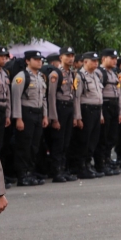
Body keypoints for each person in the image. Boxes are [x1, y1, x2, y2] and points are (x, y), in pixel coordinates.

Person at [11, 50, 49, 186]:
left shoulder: (40, 77)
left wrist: (45, 115)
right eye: (36, 59)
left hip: (38, 114)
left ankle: (30, 172)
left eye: (40, 59)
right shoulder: (21, 76)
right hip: (26, 113)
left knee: (34, 146)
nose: (39, 61)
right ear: (27, 61)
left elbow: (43, 98)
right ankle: (22, 175)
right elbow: (15, 98)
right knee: (24, 146)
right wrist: (18, 118)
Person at [43, 47, 79, 182]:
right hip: (59, 108)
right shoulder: (56, 74)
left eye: (72, 55)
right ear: (60, 58)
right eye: (67, 56)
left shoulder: (72, 73)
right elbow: (51, 97)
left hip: (69, 108)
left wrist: (75, 116)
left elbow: (74, 95)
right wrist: (54, 118)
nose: (70, 58)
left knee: (66, 141)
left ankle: (63, 169)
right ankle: (56, 171)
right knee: (58, 142)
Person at [71, 51, 104, 179]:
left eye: (97, 61)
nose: (96, 63)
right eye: (93, 61)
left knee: (93, 140)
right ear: (85, 62)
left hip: (96, 110)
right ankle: (81, 167)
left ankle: (88, 164)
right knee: (84, 140)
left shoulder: (96, 75)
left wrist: (100, 114)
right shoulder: (80, 76)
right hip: (86, 110)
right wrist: (78, 117)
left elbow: (99, 96)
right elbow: (77, 98)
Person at [0, 46, 10, 163]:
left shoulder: (5, 73)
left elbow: (8, 96)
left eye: (5, 57)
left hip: (2, 109)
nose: (4, 59)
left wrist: (7, 115)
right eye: (0, 56)